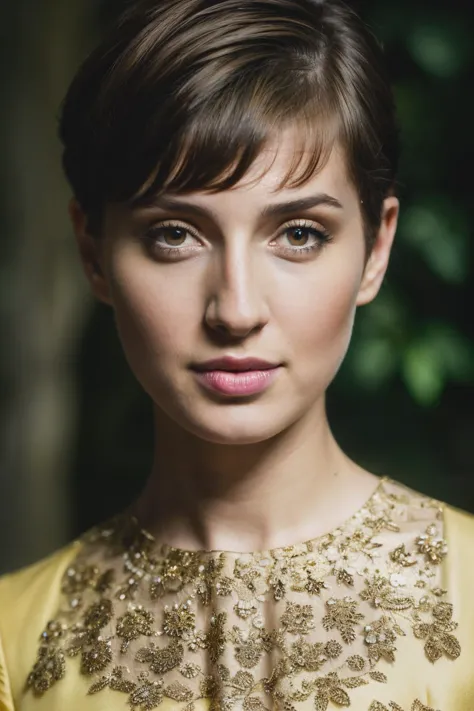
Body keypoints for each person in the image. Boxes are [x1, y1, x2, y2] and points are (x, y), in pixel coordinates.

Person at [0, 0, 473, 709]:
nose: (237, 309)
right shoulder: (14, 639)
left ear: (376, 250)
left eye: (300, 234)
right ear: (93, 253)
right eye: (174, 235)